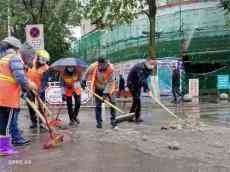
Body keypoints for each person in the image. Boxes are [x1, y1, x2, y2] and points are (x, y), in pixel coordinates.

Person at [0, 36, 36, 154]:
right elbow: (20, 77)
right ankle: (3, 148)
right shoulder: (14, 58)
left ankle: (4, 146)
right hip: (7, 97)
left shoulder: (3, 58)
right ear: (16, 48)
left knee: (2, 123)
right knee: (7, 123)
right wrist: (29, 85)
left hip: (2, 96)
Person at [81, 57, 117, 129]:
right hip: (98, 87)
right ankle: (99, 122)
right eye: (100, 65)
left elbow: (110, 82)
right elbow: (86, 73)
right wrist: (83, 80)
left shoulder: (111, 69)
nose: (102, 67)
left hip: (109, 87)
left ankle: (113, 121)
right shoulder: (93, 66)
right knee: (98, 105)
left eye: (104, 65)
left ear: (106, 63)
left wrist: (105, 93)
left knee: (113, 103)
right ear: (98, 64)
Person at [127, 57, 156, 123]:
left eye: (154, 64)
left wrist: (147, 89)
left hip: (138, 84)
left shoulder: (149, 68)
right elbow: (142, 79)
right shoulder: (139, 67)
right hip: (132, 84)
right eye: (151, 63)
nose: (152, 65)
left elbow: (144, 79)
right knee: (137, 100)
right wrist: (147, 90)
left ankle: (131, 117)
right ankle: (136, 117)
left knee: (136, 100)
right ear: (147, 62)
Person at [27, 49, 50, 129]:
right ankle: (33, 121)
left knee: (41, 106)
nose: (43, 62)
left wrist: (41, 90)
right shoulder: (31, 63)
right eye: (42, 60)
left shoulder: (46, 68)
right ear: (38, 58)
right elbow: (25, 73)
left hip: (40, 89)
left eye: (45, 61)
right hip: (29, 87)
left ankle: (41, 121)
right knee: (31, 105)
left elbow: (45, 81)